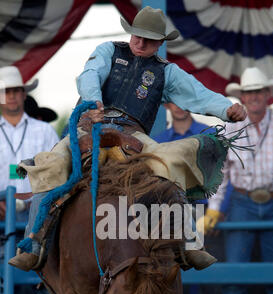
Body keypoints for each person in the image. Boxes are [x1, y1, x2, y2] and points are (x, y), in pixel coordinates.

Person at [9, 6, 246, 272]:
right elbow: (91, 74)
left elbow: (198, 94)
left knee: (169, 165)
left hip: (133, 134)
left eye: (148, 39)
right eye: (137, 36)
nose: (140, 42)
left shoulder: (166, 72)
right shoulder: (109, 50)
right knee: (50, 165)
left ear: (160, 43)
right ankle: (33, 243)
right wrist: (92, 102)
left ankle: (190, 241)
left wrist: (226, 109)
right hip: (88, 128)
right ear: (130, 33)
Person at [202, 66, 273, 294]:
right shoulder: (230, 130)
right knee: (236, 275)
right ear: (242, 97)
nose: (254, 96)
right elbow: (221, 175)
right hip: (241, 204)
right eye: (249, 92)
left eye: (259, 91)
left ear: (268, 94)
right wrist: (214, 209)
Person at [0, 65, 59, 294]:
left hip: (38, 225)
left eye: (16, 90)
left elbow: (58, 173)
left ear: (24, 94)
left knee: (46, 289)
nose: (11, 96)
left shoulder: (44, 131)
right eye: (6, 91)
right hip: (1, 223)